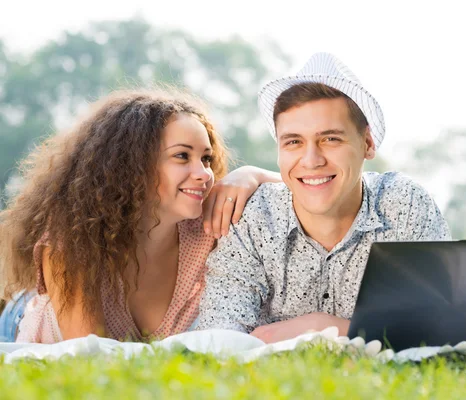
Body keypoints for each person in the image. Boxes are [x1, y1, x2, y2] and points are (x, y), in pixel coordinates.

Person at [193, 52, 452, 343]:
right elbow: (220, 335)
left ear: (367, 143)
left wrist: (323, 328)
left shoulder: (404, 205)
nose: (311, 160)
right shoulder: (254, 216)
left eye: (330, 139)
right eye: (293, 142)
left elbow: (441, 323)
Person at [0, 88, 280, 343]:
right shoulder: (73, 244)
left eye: (206, 158)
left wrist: (250, 174)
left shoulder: (208, 228)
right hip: (22, 320)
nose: (204, 174)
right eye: (182, 156)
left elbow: (308, 185)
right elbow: (90, 355)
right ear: (131, 167)